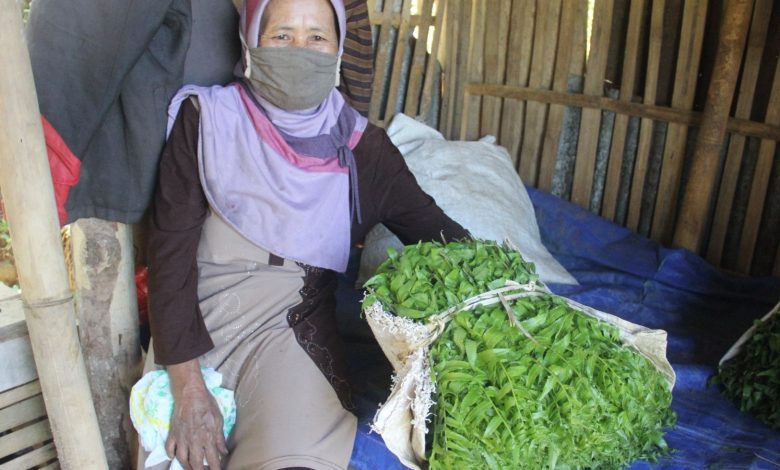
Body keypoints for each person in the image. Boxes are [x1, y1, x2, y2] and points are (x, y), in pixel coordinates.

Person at [146, 0, 468, 469]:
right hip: (191, 327)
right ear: (251, 43)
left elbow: (442, 238)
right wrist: (188, 387)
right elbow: (168, 257)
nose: (299, 49)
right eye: (281, 35)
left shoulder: (363, 148)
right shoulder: (206, 121)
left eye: (317, 36)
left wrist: (520, 295)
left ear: (338, 51)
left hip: (288, 332)